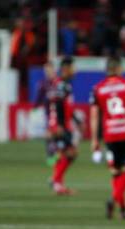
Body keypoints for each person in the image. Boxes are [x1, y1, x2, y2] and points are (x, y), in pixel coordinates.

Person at [90, 55, 125, 219]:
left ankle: (124, 210)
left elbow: (94, 116)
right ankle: (114, 200)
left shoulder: (98, 88)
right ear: (119, 68)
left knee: (115, 172)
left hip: (110, 134)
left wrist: (94, 139)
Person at [46, 57, 79, 195]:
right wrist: (58, 125)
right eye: (73, 67)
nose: (75, 70)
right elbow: (58, 104)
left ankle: (58, 184)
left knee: (65, 154)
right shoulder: (62, 85)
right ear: (66, 69)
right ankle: (55, 180)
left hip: (61, 124)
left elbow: (66, 107)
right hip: (60, 126)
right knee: (70, 153)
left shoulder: (62, 84)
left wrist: (77, 121)